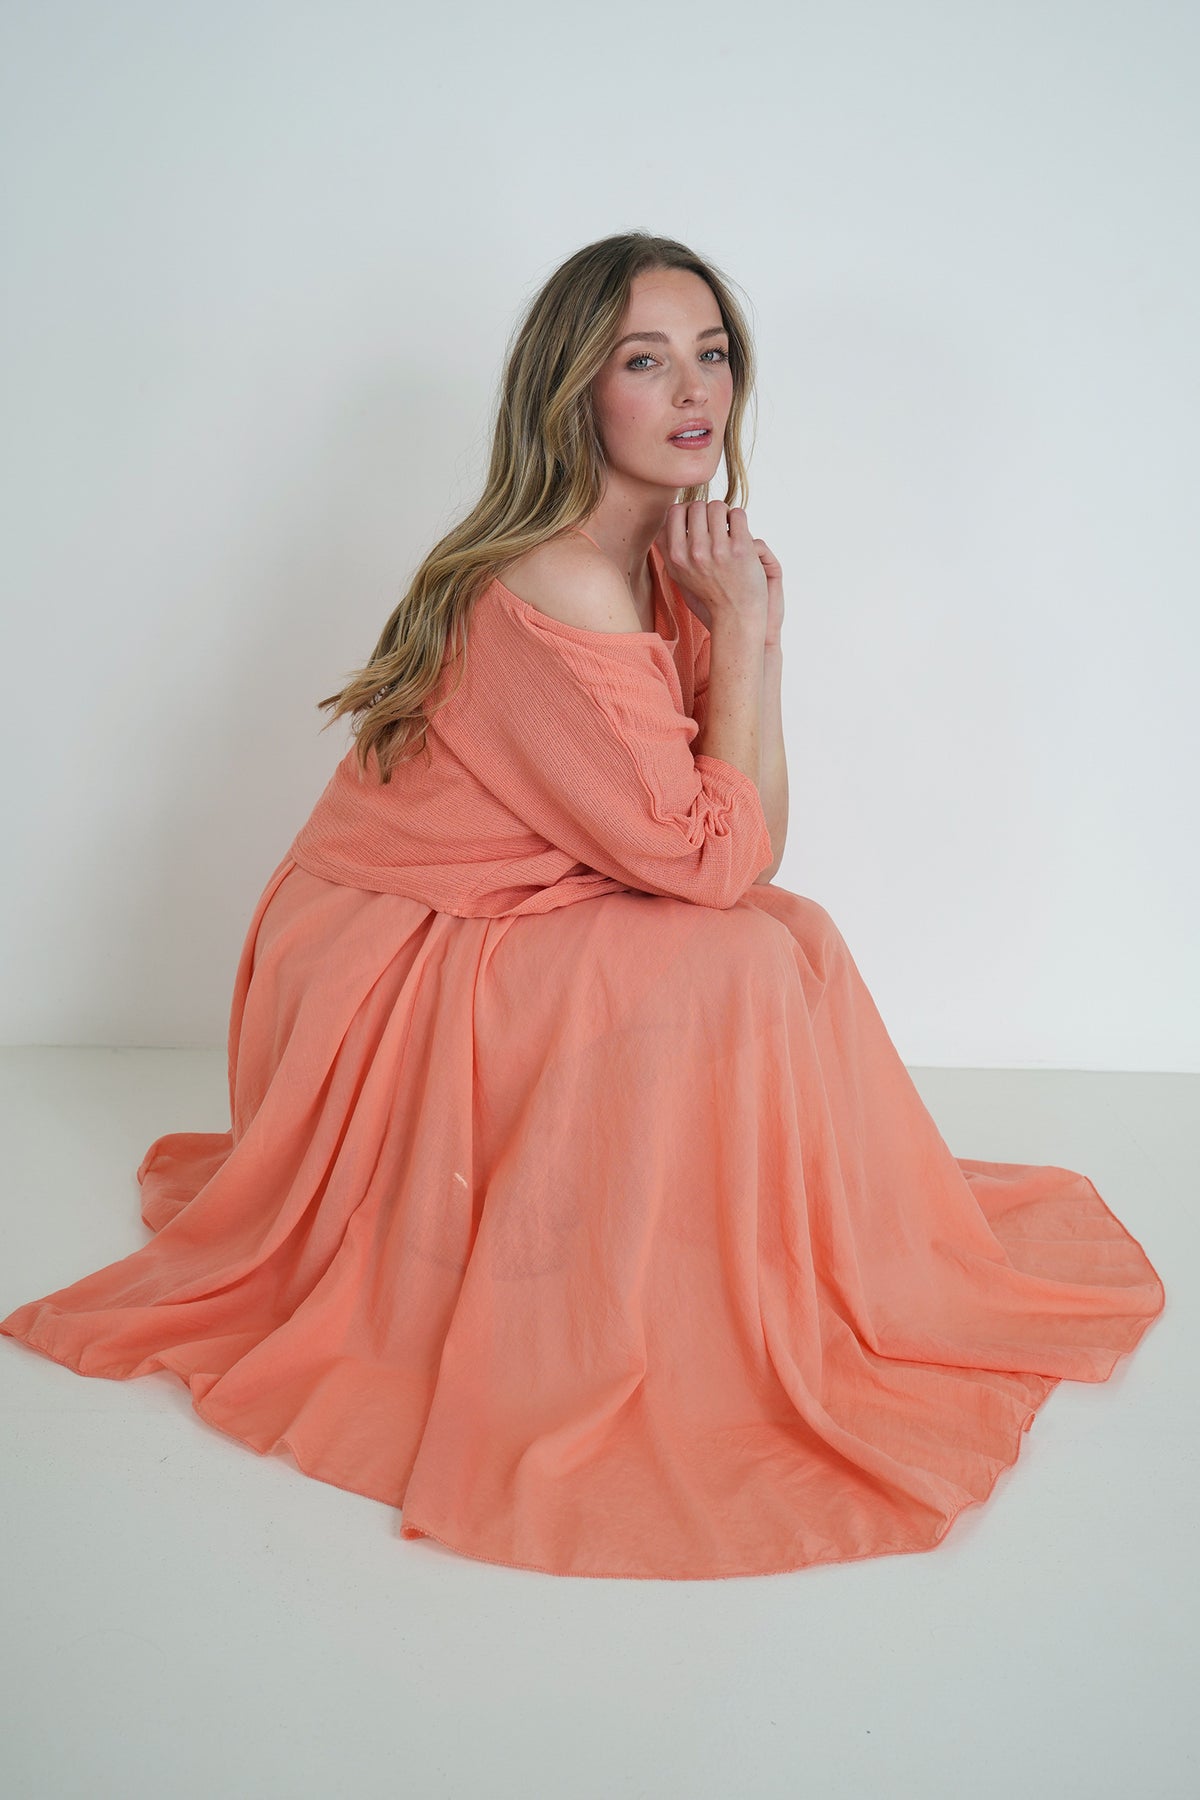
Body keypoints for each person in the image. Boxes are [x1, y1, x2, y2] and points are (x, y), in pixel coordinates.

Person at [0, 232, 1165, 1581]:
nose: (694, 392)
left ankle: (726, 1266)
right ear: (575, 391)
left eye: (712, 355)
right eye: (644, 360)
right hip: (380, 963)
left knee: (793, 944)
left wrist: (747, 637)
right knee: (726, 967)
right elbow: (720, 861)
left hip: (496, 911)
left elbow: (754, 855)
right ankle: (642, 1300)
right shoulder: (558, 576)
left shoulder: (667, 559)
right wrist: (744, 642)